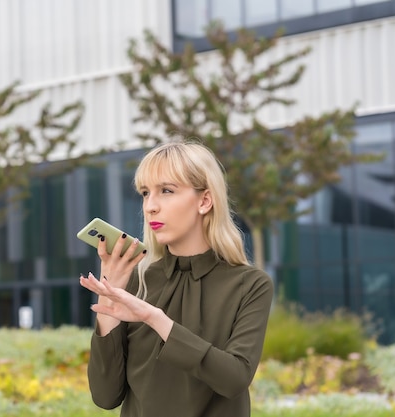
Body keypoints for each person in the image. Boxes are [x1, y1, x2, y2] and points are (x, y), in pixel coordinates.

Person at [79, 140, 274, 417]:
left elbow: (234, 379)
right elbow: (105, 396)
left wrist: (153, 318)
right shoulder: (137, 281)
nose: (150, 207)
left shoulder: (250, 285)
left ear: (205, 201)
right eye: (145, 193)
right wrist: (109, 299)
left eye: (166, 191)